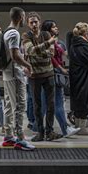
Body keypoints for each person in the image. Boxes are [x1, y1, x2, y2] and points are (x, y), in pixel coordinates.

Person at [22, 12, 62, 142]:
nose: (34, 24)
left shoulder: (46, 34)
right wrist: (47, 43)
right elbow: (30, 51)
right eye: (31, 22)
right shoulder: (26, 36)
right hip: (34, 76)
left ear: (39, 22)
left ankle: (49, 132)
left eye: (36, 21)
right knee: (37, 105)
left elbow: (50, 53)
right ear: (28, 24)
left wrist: (38, 50)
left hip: (48, 73)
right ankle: (40, 131)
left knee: (51, 104)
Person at [1, 7, 35, 151]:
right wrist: (28, 65)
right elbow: (15, 55)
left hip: (7, 73)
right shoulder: (14, 33)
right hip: (15, 73)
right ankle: (20, 138)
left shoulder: (6, 31)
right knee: (20, 106)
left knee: (9, 104)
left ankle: (9, 136)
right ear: (21, 16)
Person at [41, 20, 80, 138]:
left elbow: (64, 53)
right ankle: (65, 129)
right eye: (54, 27)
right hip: (53, 73)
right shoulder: (48, 42)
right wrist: (61, 68)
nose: (57, 28)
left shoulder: (55, 42)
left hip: (50, 73)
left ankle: (37, 126)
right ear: (48, 30)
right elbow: (51, 57)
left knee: (45, 103)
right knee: (57, 103)